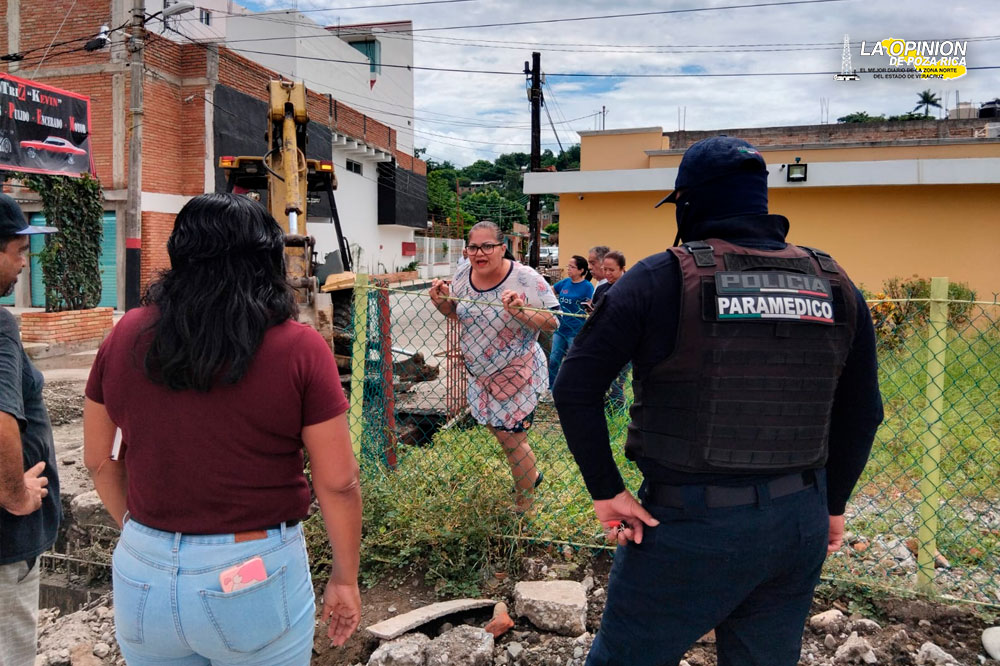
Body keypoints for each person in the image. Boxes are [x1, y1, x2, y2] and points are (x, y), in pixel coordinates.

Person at [553, 137, 884, 666]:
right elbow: (863, 410)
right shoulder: (834, 281)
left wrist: (607, 490)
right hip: (797, 520)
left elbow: (574, 388)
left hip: (689, 525)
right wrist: (833, 504)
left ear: (688, 203)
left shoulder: (659, 277)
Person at [83, 193, 362, 665]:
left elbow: (98, 461)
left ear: (179, 255)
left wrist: (147, 538)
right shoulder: (298, 348)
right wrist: (344, 577)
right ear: (267, 260)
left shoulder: (126, 332)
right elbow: (338, 483)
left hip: (141, 572)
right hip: (252, 573)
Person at [429, 221, 558, 511]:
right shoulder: (463, 273)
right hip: (480, 377)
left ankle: (525, 503)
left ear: (503, 248)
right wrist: (442, 303)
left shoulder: (525, 278)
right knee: (502, 435)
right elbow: (456, 314)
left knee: (513, 441)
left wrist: (522, 312)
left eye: (488, 246)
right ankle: (530, 477)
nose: (479, 253)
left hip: (516, 375)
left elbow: (554, 322)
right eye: (473, 246)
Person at [0, 194, 60, 666]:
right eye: (19, 250)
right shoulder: (0, 324)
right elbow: (1, 414)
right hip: (5, 544)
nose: (26, 262)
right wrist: (15, 493)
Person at [548, 255, 594, 390]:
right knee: (553, 360)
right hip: (560, 329)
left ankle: (574, 388)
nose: (569, 269)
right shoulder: (565, 282)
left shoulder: (587, 286)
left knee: (573, 362)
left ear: (581, 270)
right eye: (568, 266)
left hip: (575, 330)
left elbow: (591, 304)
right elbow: (550, 291)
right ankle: (551, 388)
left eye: (572, 267)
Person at [596, 251, 628, 410]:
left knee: (616, 383)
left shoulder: (631, 289)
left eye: (612, 270)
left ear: (623, 268)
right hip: (602, 342)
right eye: (605, 269)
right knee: (602, 382)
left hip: (624, 345)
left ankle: (619, 415)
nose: (607, 273)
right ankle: (606, 413)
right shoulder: (601, 289)